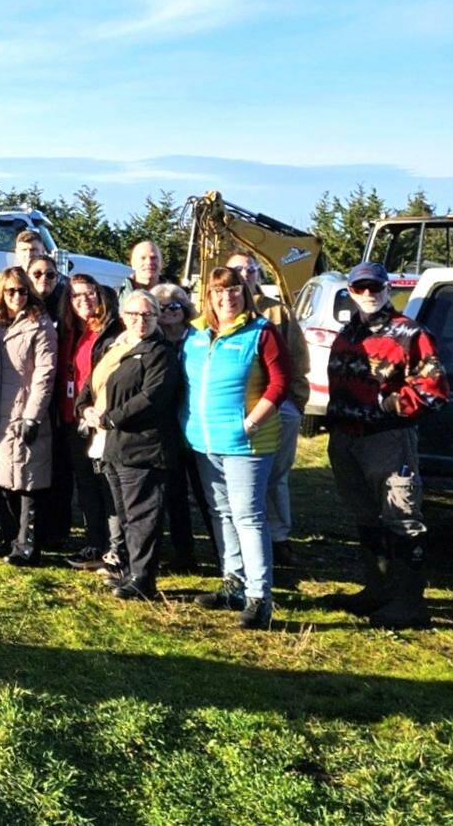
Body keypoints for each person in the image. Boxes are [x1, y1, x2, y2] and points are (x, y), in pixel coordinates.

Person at [318, 262, 450, 628]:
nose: (368, 294)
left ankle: (410, 604)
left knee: (401, 517)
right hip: (346, 438)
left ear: (387, 289)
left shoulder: (409, 333)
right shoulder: (349, 333)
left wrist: (391, 404)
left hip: (388, 440)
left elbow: (434, 390)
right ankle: (377, 589)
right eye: (360, 288)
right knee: (366, 516)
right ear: (351, 292)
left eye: (374, 287)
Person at [181, 266, 290, 629]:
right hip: (205, 440)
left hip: (248, 442)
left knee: (248, 516)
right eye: (218, 292)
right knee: (221, 513)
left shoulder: (261, 332)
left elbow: (280, 382)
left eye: (233, 291)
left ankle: (260, 597)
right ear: (208, 297)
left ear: (244, 293)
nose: (226, 298)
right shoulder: (195, 335)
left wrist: (253, 421)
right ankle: (234, 583)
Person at [79, 290, 181, 599]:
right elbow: (93, 383)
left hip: (144, 447)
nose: (140, 320)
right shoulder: (118, 347)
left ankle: (144, 579)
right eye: (134, 315)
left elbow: (151, 398)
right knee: (125, 516)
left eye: (148, 315)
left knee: (143, 516)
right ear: (124, 317)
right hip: (114, 446)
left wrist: (109, 418)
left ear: (156, 318)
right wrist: (85, 407)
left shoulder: (160, 352)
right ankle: (129, 572)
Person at [226, 251, 310, 566]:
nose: (245, 274)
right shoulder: (221, 311)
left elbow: (299, 361)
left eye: (251, 269)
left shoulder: (277, 313)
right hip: (234, 409)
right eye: (238, 270)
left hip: (277, 407)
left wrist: (294, 404)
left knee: (275, 474)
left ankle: (279, 538)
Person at [0, 267, 58, 566]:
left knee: (27, 479)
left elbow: (45, 373)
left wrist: (33, 415)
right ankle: (10, 536)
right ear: (1, 292)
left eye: (22, 291)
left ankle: (28, 544)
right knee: (0, 477)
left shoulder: (40, 324)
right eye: (10, 291)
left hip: (24, 408)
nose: (16, 297)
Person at [56, 274, 125, 570]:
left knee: (107, 486)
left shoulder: (111, 333)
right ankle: (95, 543)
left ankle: (115, 549)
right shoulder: (72, 331)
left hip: (99, 420)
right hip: (73, 419)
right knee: (86, 485)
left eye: (89, 293)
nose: (83, 300)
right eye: (75, 295)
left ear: (100, 295)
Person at [150, 282, 206, 570]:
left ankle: (224, 553)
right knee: (174, 494)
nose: (169, 311)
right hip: (167, 428)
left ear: (185, 309)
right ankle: (184, 553)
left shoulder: (200, 340)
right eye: (161, 307)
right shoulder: (154, 343)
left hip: (197, 425)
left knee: (205, 493)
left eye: (175, 305)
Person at [18, 240, 64, 322]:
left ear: (57, 278)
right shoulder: (18, 299)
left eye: (50, 274)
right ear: (27, 277)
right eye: (37, 274)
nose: (44, 278)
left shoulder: (66, 302)